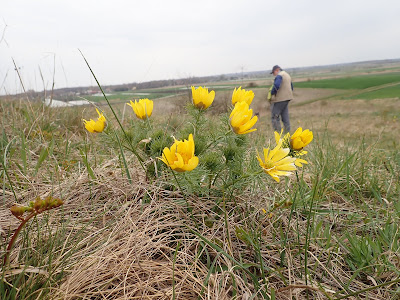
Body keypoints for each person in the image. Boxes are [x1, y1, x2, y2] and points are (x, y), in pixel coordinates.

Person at [268, 65, 294, 133]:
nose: (273, 75)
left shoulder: (279, 75)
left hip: (280, 99)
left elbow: (276, 85)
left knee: (274, 117)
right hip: (288, 98)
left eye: (273, 73)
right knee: (285, 116)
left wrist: (272, 93)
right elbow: (291, 86)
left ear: (277, 70)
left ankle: (278, 134)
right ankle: (287, 133)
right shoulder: (287, 75)